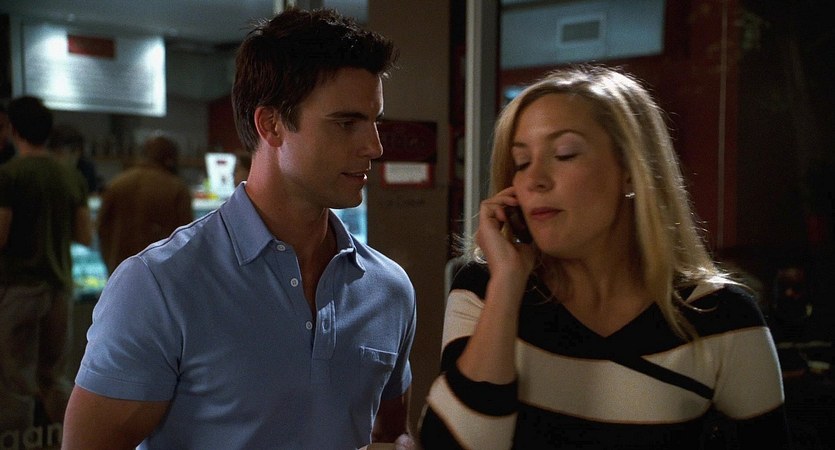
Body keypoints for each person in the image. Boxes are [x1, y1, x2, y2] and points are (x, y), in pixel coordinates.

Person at [63, 7, 417, 450]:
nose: (374, 147)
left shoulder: (389, 289)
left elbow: (392, 434)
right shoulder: (160, 285)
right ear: (271, 125)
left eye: (375, 121)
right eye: (347, 123)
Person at [418, 65, 791, 449]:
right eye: (521, 162)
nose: (534, 179)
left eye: (564, 154)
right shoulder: (485, 289)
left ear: (631, 170)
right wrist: (508, 284)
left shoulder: (720, 316)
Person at [0, 96, 92, 433]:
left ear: (13, 130)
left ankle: (18, 441)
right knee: (53, 376)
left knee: (15, 380)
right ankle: (75, 438)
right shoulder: (71, 176)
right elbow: (84, 235)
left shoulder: (9, 175)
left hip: (18, 289)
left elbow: (1, 236)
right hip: (59, 290)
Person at [95, 135, 193, 274]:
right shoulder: (177, 188)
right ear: (170, 160)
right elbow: (185, 239)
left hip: (119, 271)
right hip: (158, 274)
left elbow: (101, 228)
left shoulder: (118, 183)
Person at [48, 123, 101, 194]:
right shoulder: (48, 169)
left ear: (77, 152)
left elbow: (93, 195)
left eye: (60, 153)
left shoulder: (87, 168)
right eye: (54, 153)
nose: (56, 158)